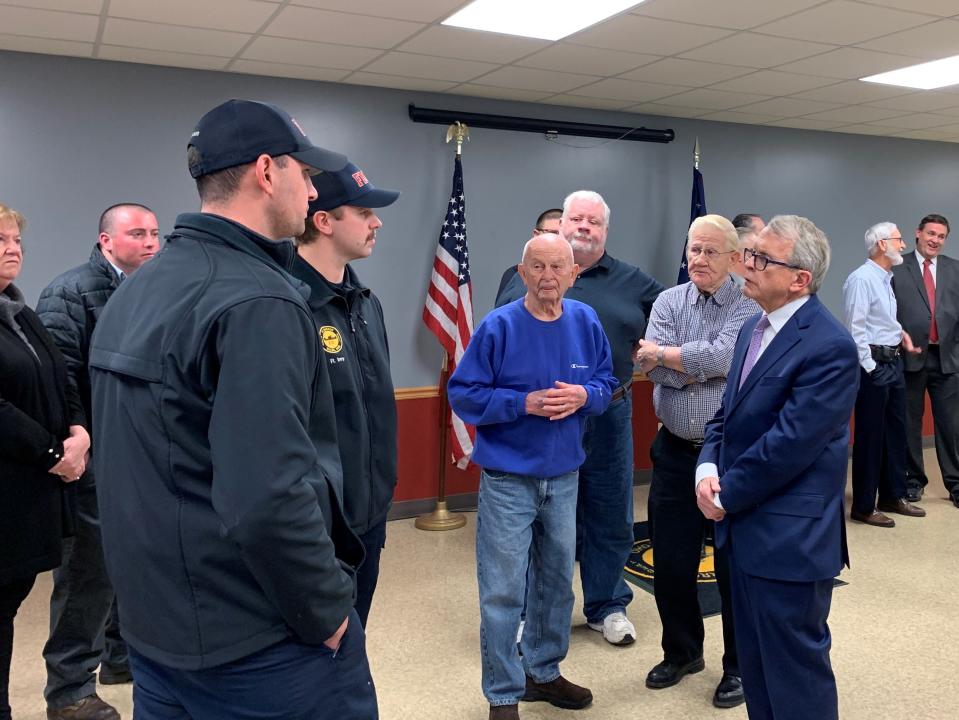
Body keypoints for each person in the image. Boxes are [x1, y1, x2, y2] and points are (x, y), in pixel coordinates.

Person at [88, 99, 377, 719]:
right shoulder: (259, 300)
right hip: (258, 640)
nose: (311, 187)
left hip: (158, 626)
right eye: (304, 171)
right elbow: (268, 493)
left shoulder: (141, 286)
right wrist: (326, 612)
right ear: (267, 172)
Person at [696, 215, 859, 720]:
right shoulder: (752, 327)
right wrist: (706, 468)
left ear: (799, 279)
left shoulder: (829, 346)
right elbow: (728, 413)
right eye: (749, 253)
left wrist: (725, 495)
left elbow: (789, 445)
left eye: (762, 259)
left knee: (795, 675)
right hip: (742, 534)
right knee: (758, 669)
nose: (747, 265)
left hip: (789, 540)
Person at [449, 233, 617, 720]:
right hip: (508, 480)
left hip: (565, 477)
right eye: (537, 268)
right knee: (503, 589)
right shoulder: (499, 326)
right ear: (522, 274)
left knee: (556, 584)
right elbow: (464, 395)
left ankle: (542, 672)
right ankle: (503, 693)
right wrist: (521, 403)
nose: (547, 278)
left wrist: (586, 397)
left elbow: (606, 384)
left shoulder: (585, 321)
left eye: (557, 268)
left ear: (573, 274)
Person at [497, 190, 664, 646]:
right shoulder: (521, 277)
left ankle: (607, 605)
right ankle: (534, 612)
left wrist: (656, 355)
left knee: (609, 512)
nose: (584, 227)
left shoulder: (636, 283)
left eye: (594, 221)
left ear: (605, 231)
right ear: (561, 224)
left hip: (608, 413)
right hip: (542, 419)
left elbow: (669, 332)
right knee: (541, 518)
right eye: (577, 219)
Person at [36, 202, 159, 719]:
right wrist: (77, 437)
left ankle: (119, 658)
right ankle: (69, 690)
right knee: (87, 573)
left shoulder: (153, 289)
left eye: (156, 233)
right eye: (137, 234)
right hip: (89, 456)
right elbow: (58, 378)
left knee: (126, 564)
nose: (151, 242)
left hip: (137, 455)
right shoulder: (69, 292)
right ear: (107, 241)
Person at [634, 214, 757, 709]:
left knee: (733, 568)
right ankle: (682, 652)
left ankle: (738, 667)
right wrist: (677, 363)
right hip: (672, 453)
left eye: (710, 251)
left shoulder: (748, 303)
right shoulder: (668, 300)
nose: (698, 259)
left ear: (733, 257)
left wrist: (670, 359)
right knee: (672, 563)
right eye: (693, 249)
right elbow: (652, 366)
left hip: (729, 457)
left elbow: (726, 359)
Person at [292, 161, 400, 627]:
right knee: (314, 651)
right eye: (363, 212)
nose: (376, 222)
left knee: (352, 639)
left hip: (369, 514)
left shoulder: (365, 303)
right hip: (317, 526)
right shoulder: (288, 305)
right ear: (324, 221)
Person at [1, 205, 89, 720]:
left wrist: (78, 431)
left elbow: (60, 377)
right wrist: (54, 453)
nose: (14, 249)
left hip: (29, 493)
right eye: (1, 240)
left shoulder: (19, 312)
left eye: (17, 240)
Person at [843, 222, 924, 528]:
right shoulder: (862, 279)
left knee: (895, 433)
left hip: (893, 363)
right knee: (870, 437)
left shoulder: (885, 278)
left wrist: (899, 333)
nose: (902, 245)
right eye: (898, 239)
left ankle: (893, 495)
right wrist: (871, 367)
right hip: (875, 367)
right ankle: (864, 505)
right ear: (881, 244)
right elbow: (855, 329)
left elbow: (881, 321)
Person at [892, 214, 959, 507]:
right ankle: (913, 482)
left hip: (947, 359)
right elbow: (886, 311)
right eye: (930, 233)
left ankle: (956, 485)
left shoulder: (955, 269)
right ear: (918, 233)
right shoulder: (897, 267)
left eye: (941, 236)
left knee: (951, 426)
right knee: (910, 423)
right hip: (911, 357)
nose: (935, 240)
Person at [495, 208, 562, 300]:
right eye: (553, 233)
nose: (558, 239)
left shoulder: (577, 276)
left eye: (563, 235)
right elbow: (500, 312)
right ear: (536, 235)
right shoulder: (514, 274)